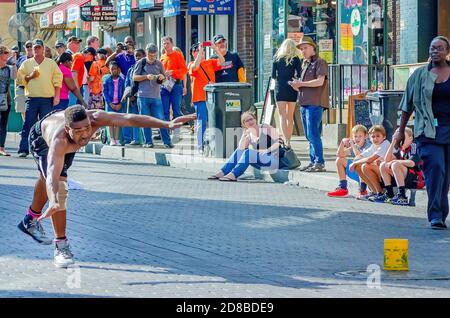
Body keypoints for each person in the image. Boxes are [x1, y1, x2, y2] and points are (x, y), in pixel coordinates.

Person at [17, 105, 195, 268]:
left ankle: (30, 218)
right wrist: (54, 201)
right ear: (67, 129)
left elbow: (129, 118)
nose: (86, 134)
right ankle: (61, 246)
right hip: (41, 139)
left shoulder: (95, 117)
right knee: (58, 186)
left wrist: (167, 124)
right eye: (78, 131)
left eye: (87, 128)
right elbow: (52, 176)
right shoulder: (59, 141)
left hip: (66, 138)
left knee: (47, 178)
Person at [397, 36, 450, 229]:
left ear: (447, 51)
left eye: (439, 48)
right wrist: (400, 131)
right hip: (427, 132)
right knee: (435, 170)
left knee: (446, 176)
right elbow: (406, 106)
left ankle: (442, 212)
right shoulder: (419, 75)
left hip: (448, 130)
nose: (435, 51)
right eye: (432, 48)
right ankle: (436, 215)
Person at [16, 39, 63, 158]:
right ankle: (24, 149)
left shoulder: (51, 63)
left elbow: (57, 80)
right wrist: (29, 76)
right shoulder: (27, 63)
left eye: (38, 47)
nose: (36, 50)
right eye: (34, 48)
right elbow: (19, 78)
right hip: (32, 98)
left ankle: (45, 149)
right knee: (28, 124)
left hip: (47, 99)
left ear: (43, 49)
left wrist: (57, 96)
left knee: (46, 125)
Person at [289, 36, 329, 172]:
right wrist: (297, 85)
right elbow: (303, 85)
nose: (303, 51)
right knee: (308, 134)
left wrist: (301, 84)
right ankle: (313, 161)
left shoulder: (320, 62)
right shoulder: (304, 64)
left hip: (315, 102)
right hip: (304, 102)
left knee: (313, 133)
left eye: (305, 47)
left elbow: (320, 81)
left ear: (313, 47)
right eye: (301, 48)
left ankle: (319, 162)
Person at [208, 111, 280, 182]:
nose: (250, 122)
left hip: (273, 158)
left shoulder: (265, 127)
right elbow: (240, 149)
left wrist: (267, 151)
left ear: (255, 119)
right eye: (247, 121)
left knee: (248, 152)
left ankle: (234, 174)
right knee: (240, 151)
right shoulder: (248, 133)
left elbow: (279, 141)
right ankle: (223, 172)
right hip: (261, 162)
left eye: (251, 119)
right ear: (244, 125)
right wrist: (244, 136)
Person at [133, 43, 173, 148]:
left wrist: (161, 77)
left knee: (161, 120)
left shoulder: (159, 64)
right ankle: (148, 142)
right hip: (143, 96)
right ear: (146, 53)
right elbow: (134, 77)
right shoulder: (141, 63)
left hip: (156, 96)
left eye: (154, 55)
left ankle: (167, 142)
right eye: (150, 55)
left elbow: (165, 81)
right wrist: (146, 76)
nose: (152, 58)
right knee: (145, 120)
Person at [188, 42, 224, 153]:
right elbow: (196, 66)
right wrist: (200, 52)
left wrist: (215, 49)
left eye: (201, 51)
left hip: (212, 96)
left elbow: (222, 61)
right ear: (193, 53)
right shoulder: (190, 64)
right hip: (200, 97)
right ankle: (200, 146)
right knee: (201, 122)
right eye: (197, 51)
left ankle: (214, 144)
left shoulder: (210, 62)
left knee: (215, 121)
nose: (200, 53)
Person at [378, 128, 424, 205]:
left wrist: (395, 161)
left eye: (402, 137)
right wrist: (393, 142)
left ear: (410, 138)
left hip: (416, 180)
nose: (400, 140)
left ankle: (402, 196)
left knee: (395, 164)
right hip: (405, 177)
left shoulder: (414, 146)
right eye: (399, 138)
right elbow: (386, 160)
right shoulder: (401, 149)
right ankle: (390, 194)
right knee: (383, 165)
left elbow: (412, 163)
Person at [272, 39, 302, 147]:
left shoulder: (276, 59)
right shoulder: (296, 59)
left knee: (282, 116)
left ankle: (285, 141)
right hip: (291, 87)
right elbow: (299, 74)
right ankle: (289, 140)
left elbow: (273, 76)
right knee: (290, 116)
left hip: (280, 87)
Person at [327, 125, 371, 198]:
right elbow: (339, 154)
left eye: (360, 136)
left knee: (361, 163)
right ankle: (343, 188)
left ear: (366, 136)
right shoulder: (355, 146)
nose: (357, 138)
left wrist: (353, 146)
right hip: (358, 173)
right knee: (339, 160)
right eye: (355, 136)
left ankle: (363, 190)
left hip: (368, 174)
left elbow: (359, 157)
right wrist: (342, 142)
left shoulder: (368, 146)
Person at [348, 125, 391, 201]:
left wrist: (354, 163)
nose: (375, 138)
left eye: (378, 136)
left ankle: (380, 192)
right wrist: (356, 162)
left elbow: (371, 159)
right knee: (358, 166)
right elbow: (359, 156)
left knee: (365, 166)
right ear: (370, 138)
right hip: (380, 170)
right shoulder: (374, 146)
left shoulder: (385, 144)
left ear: (384, 137)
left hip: (389, 171)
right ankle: (375, 191)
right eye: (373, 137)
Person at [160, 36, 188, 141]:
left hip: (176, 85)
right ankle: (166, 134)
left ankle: (176, 134)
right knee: (165, 111)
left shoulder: (177, 55)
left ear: (172, 44)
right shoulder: (162, 57)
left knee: (176, 110)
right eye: (164, 43)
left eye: (167, 43)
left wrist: (172, 72)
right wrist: (162, 75)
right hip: (164, 85)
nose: (166, 45)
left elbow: (184, 70)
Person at [123, 48, 146, 146]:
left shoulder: (148, 69)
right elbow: (127, 83)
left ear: (144, 56)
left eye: (139, 55)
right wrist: (130, 94)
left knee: (145, 119)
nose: (137, 58)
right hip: (133, 99)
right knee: (134, 118)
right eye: (136, 56)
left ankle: (146, 140)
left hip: (144, 97)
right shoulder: (131, 69)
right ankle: (136, 139)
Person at [103, 62, 126, 146]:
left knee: (117, 122)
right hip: (110, 104)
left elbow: (124, 92)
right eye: (111, 69)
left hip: (119, 103)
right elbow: (104, 93)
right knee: (110, 122)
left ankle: (117, 139)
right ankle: (112, 139)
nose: (113, 71)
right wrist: (110, 103)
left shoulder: (122, 81)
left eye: (115, 69)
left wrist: (121, 103)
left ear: (118, 70)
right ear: (109, 70)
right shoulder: (107, 80)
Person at [0, 45, 17, 156]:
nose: (7, 55)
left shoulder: (8, 68)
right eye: (5, 53)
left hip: (6, 99)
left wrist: (14, 63)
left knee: (3, 123)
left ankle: (1, 147)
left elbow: (14, 77)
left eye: (7, 53)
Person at [15, 40, 33, 121]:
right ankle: (26, 127)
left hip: (33, 89)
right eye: (27, 46)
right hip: (21, 88)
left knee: (33, 110)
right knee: (22, 109)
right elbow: (17, 74)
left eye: (31, 46)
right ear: (24, 48)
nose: (29, 48)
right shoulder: (21, 59)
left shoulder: (37, 59)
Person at [66, 36, 85, 106]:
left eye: (78, 43)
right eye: (76, 43)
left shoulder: (75, 55)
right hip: (72, 87)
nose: (78, 45)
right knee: (73, 108)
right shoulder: (68, 55)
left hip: (76, 85)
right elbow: (72, 72)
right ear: (70, 44)